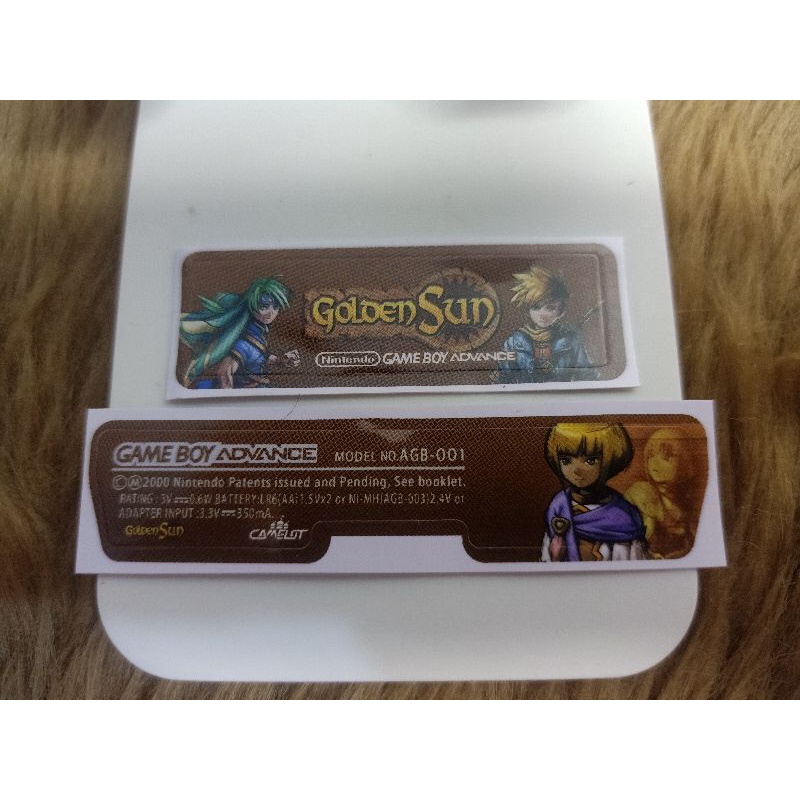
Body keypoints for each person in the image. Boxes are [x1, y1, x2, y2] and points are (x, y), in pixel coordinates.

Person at [541, 422, 647, 562]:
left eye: (590, 460)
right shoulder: (558, 507)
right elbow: (546, 559)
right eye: (566, 460)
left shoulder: (624, 517)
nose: (576, 470)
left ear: (610, 459)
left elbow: (634, 565)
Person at [179, 277, 299, 389]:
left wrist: (280, 360)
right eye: (264, 307)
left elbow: (257, 358)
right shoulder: (243, 343)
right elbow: (224, 373)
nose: (271, 313)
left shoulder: (256, 336)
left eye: (276, 307)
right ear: (252, 306)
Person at [496, 265, 593, 383]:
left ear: (561, 312)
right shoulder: (514, 342)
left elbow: (587, 375)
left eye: (550, 308)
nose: (542, 314)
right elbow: (503, 379)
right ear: (528, 309)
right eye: (536, 307)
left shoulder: (570, 340)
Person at [624, 428, 700, 559]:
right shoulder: (642, 493)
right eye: (650, 456)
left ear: (685, 462)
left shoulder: (690, 502)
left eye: (666, 457)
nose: (654, 465)